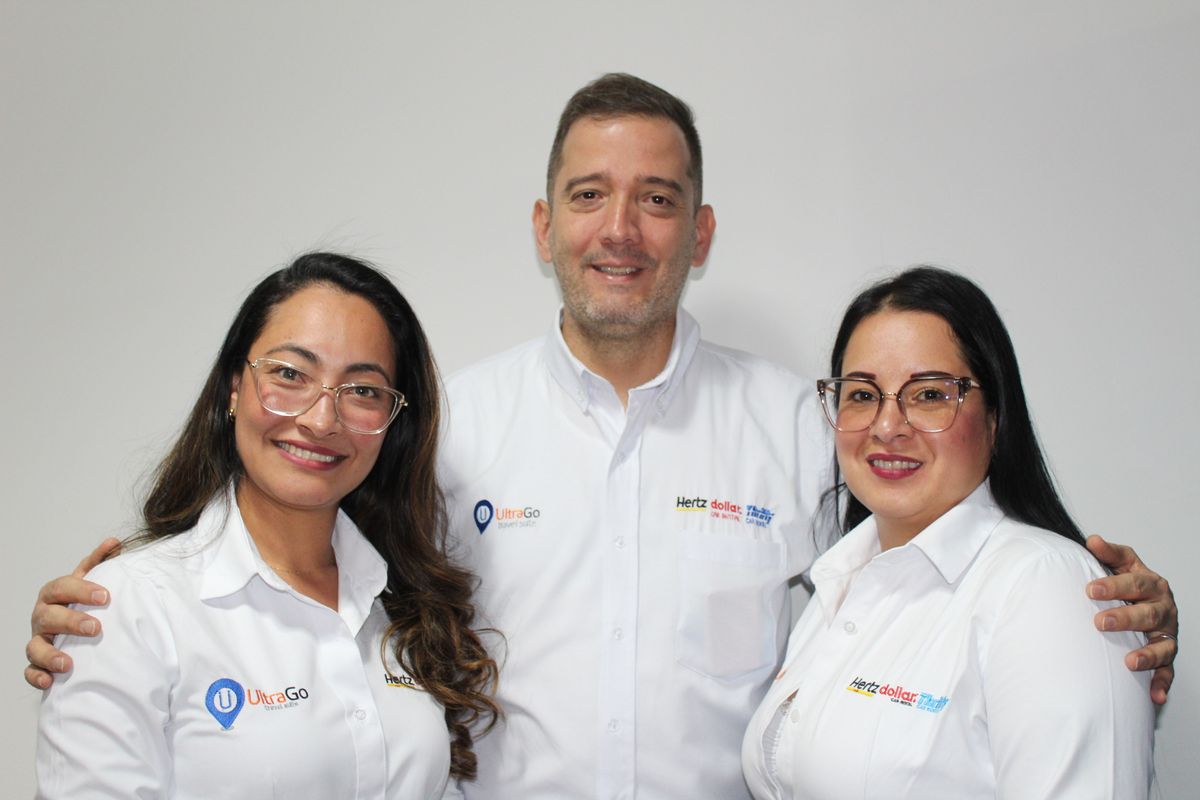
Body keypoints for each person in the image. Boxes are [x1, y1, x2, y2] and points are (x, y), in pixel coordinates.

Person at [27, 76, 1177, 799]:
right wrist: (142, 606)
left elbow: (939, 573)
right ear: (543, 225)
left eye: (658, 198)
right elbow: (303, 564)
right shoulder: (446, 428)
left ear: (702, 231)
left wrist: (1098, 611)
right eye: (588, 195)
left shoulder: (801, 423)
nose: (620, 230)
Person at [35, 253, 498, 798]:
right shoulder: (129, 607)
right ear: (235, 387)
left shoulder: (402, 604)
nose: (322, 419)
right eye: (289, 374)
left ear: (393, 422)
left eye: (364, 391)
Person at [742, 266, 1156, 798]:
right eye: (863, 394)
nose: (888, 426)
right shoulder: (842, 580)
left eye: (930, 394)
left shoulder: (1045, 587)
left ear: (995, 418)